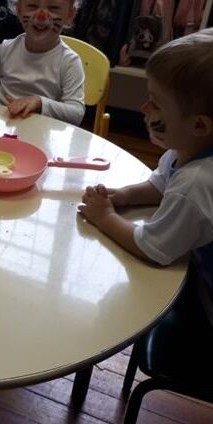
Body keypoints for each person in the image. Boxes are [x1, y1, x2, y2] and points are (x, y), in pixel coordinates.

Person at [78, 28, 213, 373]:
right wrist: (122, 196)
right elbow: (160, 184)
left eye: (156, 104)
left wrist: (104, 218)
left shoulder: (196, 183)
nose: (144, 108)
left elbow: (153, 249)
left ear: (199, 125)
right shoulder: (186, 150)